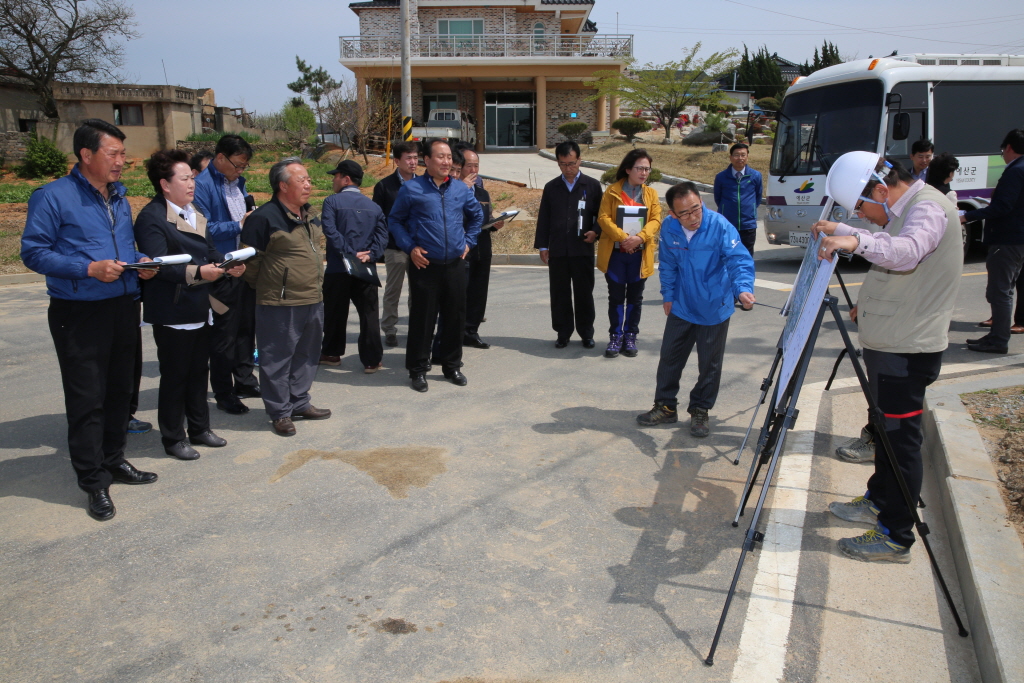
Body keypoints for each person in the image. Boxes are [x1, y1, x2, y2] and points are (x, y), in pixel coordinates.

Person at [813, 152, 961, 563]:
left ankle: (896, 535)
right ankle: (878, 500)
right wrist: (841, 228)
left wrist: (853, 238)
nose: (864, 216)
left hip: (907, 350)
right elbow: (890, 235)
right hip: (892, 343)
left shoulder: (928, 207)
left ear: (881, 190)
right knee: (884, 433)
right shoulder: (905, 204)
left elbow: (907, 249)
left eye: (860, 207)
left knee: (900, 444)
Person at [21, 119, 159, 521]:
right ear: (86, 155)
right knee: (87, 398)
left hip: (122, 304)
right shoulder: (52, 197)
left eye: (122, 154)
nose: (122, 162)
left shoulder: (118, 196)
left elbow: (121, 246)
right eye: (113, 154)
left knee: (120, 392)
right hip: (78, 310)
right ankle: (93, 481)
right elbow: (34, 252)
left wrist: (140, 265)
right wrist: (88, 268)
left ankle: (114, 459)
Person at [134, 150, 244, 460]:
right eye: (184, 179)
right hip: (173, 309)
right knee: (175, 376)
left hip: (199, 305)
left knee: (198, 371)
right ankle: (173, 438)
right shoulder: (152, 218)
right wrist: (200, 272)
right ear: (165, 185)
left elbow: (209, 251)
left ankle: (199, 428)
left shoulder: (193, 211)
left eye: (192, 178)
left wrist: (228, 264)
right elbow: (159, 266)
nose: (192, 184)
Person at [635, 183, 754, 437]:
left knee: (709, 363)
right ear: (672, 214)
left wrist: (742, 288)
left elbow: (738, 259)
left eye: (696, 209)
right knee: (670, 357)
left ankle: (700, 409)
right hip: (682, 304)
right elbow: (667, 264)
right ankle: (665, 406)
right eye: (684, 214)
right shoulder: (669, 228)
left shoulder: (720, 226)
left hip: (714, 307)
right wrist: (668, 295)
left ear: (701, 202)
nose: (693, 218)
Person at [240, 158, 331, 436]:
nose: (308, 184)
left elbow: (320, 246)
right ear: (282, 185)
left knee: (307, 355)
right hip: (279, 302)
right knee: (276, 358)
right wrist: (274, 286)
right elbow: (250, 263)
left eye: (308, 179)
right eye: (301, 180)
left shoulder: (310, 213)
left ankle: (300, 402)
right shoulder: (263, 218)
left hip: (313, 298)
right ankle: (280, 412)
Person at [388, 138, 484, 392]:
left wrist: (469, 242)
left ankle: (452, 366)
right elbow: (395, 221)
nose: (446, 161)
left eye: (448, 157)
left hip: (454, 264)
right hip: (425, 265)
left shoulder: (460, 190)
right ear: (426, 160)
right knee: (423, 319)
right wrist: (411, 247)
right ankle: (417, 370)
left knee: (454, 317)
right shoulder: (412, 189)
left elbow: (477, 216)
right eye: (440, 157)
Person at [193, 134, 260, 415]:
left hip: (242, 265)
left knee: (246, 328)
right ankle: (224, 392)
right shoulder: (201, 187)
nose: (240, 170)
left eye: (244, 166)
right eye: (238, 164)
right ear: (220, 158)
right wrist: (239, 225)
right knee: (223, 336)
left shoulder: (238, 183)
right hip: (218, 269)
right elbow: (204, 230)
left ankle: (244, 379)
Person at [319, 160, 389, 372]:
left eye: (336, 176)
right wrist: (371, 255)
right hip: (365, 269)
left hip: (338, 267)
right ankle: (372, 360)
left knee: (335, 313)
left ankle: (331, 353)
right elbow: (383, 235)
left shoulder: (331, 202)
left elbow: (330, 231)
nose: (334, 180)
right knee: (369, 315)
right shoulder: (374, 206)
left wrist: (348, 253)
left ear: (345, 179)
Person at [534, 140, 603, 348]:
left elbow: (602, 215)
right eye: (563, 164)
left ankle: (586, 333)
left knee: (584, 293)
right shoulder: (552, 187)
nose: (568, 169)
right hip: (558, 250)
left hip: (582, 249)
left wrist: (596, 232)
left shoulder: (591, 186)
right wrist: (543, 246)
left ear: (580, 160)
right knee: (559, 294)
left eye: (572, 163)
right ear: (558, 163)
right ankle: (563, 332)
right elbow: (544, 218)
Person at [596, 149, 663, 358]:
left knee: (636, 297)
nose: (644, 173)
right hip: (616, 253)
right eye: (640, 168)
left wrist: (640, 238)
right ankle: (615, 336)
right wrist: (623, 237)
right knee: (616, 297)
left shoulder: (650, 194)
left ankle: (630, 336)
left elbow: (656, 219)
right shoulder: (612, 191)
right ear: (628, 169)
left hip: (639, 254)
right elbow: (603, 218)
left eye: (647, 169)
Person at [962, 129, 1024, 353]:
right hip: (1017, 238)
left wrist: (967, 216)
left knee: (1000, 291)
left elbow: (1003, 207)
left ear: (1008, 148)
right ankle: (995, 335)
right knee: (1004, 289)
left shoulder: (1015, 171)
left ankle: (998, 340)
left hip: (1008, 239)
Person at [456, 142, 503, 349]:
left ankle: (471, 331)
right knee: (459, 293)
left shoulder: (482, 193)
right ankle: (455, 333)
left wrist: (495, 224)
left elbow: (485, 218)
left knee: (478, 291)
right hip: (462, 248)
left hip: (483, 247)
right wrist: (462, 190)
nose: (474, 170)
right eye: (469, 166)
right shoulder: (452, 191)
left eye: (477, 165)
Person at [373, 141, 420, 348]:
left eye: (415, 157)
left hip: (420, 248)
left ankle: (417, 328)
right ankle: (390, 329)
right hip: (395, 247)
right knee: (393, 290)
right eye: (408, 158)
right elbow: (379, 219)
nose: (413, 162)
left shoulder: (424, 183)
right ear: (397, 161)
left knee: (418, 290)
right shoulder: (384, 186)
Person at [713, 142, 763, 258]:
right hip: (728, 224)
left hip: (748, 225)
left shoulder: (755, 176)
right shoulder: (721, 177)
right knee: (728, 255)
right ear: (730, 157)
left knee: (747, 256)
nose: (740, 158)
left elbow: (758, 197)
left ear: (747, 157)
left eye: (743, 155)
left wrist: (750, 210)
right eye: (736, 155)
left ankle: (746, 277)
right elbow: (718, 198)